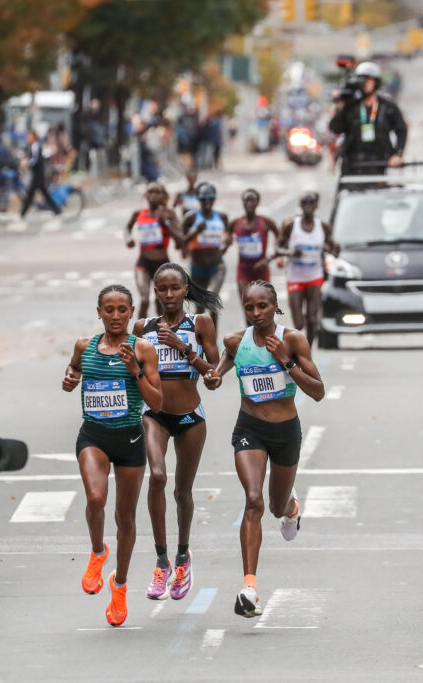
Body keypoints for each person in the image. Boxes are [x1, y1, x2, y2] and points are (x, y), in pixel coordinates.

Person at [203, 281, 326, 617]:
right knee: (253, 500)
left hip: (286, 431)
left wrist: (286, 362)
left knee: (274, 506)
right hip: (250, 429)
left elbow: (318, 391)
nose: (256, 313)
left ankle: (291, 508)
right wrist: (214, 376)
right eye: (249, 307)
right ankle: (249, 587)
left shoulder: (292, 340)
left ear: (275, 307)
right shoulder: (235, 340)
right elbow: (223, 364)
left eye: (262, 307)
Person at [61, 285, 163, 627]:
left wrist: (135, 369)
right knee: (95, 496)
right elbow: (74, 368)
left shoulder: (143, 348)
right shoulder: (85, 346)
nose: (116, 316)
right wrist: (71, 378)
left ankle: (119, 585)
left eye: (122, 309)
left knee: (126, 520)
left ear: (132, 312)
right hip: (94, 435)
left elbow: (158, 401)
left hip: (130, 437)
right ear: (99, 312)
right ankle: (97, 552)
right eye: (109, 309)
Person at [133, 264, 221, 601]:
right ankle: (161, 560)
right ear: (155, 292)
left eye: (175, 289)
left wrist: (184, 350)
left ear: (185, 290)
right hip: (154, 414)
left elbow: (213, 372)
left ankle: (183, 557)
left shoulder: (199, 323)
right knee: (157, 476)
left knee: (182, 494)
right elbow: (134, 371)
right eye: (162, 289)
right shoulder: (143, 327)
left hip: (190, 417)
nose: (168, 295)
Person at [277, 191, 339, 346]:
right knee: (299, 323)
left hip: (314, 276)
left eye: (311, 203)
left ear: (316, 205)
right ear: (301, 206)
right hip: (295, 277)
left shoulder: (323, 227)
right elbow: (278, 248)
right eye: (305, 203)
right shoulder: (291, 225)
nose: (308, 206)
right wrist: (291, 252)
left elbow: (334, 249)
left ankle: (307, 352)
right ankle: (299, 342)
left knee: (312, 318)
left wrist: (332, 250)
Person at [328, 61, 408, 176]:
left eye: (369, 80)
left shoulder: (387, 107)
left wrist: (397, 154)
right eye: (362, 80)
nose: (365, 83)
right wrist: (341, 105)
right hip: (352, 164)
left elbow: (401, 129)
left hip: (378, 163)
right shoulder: (351, 106)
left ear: (376, 82)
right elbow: (335, 128)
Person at [125, 182, 184, 319]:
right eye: (150, 192)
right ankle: (139, 335)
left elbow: (181, 240)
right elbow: (127, 228)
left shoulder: (169, 214)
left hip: (163, 265)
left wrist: (166, 224)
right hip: (143, 263)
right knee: (144, 299)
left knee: (161, 304)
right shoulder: (138, 214)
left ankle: (160, 336)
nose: (153, 195)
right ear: (146, 195)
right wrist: (129, 238)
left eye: (157, 192)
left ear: (163, 196)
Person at [224, 189, 282, 319]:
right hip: (243, 273)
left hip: (261, 272)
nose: (249, 203)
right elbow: (225, 241)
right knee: (248, 313)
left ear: (257, 202)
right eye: (247, 200)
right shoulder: (235, 223)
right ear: (243, 202)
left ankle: (265, 338)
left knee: (264, 313)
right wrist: (226, 242)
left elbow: (280, 241)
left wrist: (269, 259)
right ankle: (251, 339)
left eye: (252, 200)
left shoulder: (266, 222)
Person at [182, 182, 228, 326]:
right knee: (200, 306)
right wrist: (195, 231)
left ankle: (213, 341)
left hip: (217, 265)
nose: (207, 202)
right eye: (203, 199)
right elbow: (182, 241)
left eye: (210, 198)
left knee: (211, 300)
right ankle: (198, 339)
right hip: (197, 267)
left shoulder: (222, 217)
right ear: (198, 199)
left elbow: (228, 237)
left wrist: (225, 245)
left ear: (214, 199)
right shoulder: (190, 218)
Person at [20, 130, 62, 218]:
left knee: (30, 194)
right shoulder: (33, 146)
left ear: (34, 137)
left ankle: (22, 213)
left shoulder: (36, 146)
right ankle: (56, 210)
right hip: (38, 175)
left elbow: (35, 160)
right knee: (43, 194)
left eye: (29, 136)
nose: (27, 138)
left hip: (38, 175)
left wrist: (27, 163)